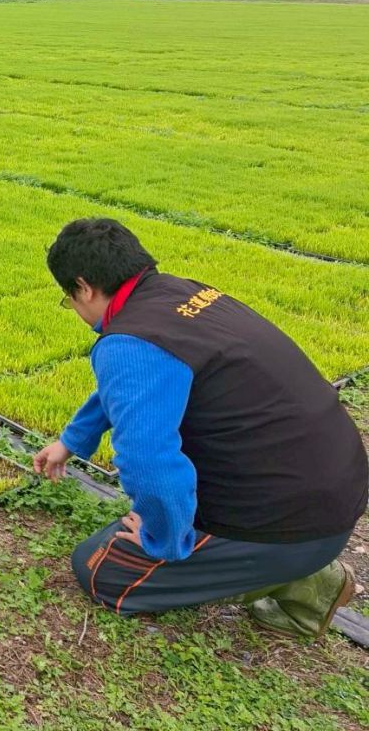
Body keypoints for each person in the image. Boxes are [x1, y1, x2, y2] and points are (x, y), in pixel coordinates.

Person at [32, 218, 366, 638]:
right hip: (334, 488)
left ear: (83, 287)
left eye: (70, 299)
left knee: (100, 568)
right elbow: (135, 389)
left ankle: (310, 580)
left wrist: (165, 542)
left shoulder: (132, 341)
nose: (76, 310)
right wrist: (71, 440)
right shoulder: (183, 294)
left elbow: (149, 462)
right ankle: (296, 563)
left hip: (293, 522)